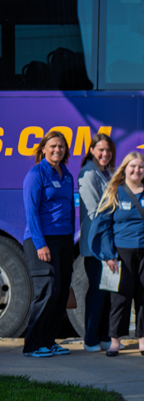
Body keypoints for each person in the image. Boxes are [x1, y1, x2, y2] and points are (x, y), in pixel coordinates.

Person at [89, 152, 144, 357]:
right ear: (125, 169)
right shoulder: (115, 192)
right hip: (121, 254)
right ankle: (115, 341)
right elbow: (103, 226)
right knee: (120, 297)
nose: (137, 170)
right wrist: (108, 255)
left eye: (141, 167)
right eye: (132, 167)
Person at [21, 130, 76, 358]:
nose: (57, 150)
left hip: (64, 239)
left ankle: (49, 340)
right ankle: (32, 344)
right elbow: (31, 211)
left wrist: (70, 240)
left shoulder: (67, 175)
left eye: (61, 147)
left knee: (61, 293)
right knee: (47, 290)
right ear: (43, 148)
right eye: (52, 146)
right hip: (41, 240)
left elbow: (70, 209)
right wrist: (40, 243)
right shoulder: (36, 174)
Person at [76, 132, 115, 352]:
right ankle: (90, 339)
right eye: (101, 150)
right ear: (92, 150)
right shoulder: (88, 174)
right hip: (96, 246)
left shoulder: (105, 173)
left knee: (106, 292)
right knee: (97, 293)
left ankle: (103, 337)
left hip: (106, 244)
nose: (105, 154)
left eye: (108, 150)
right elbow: (94, 212)